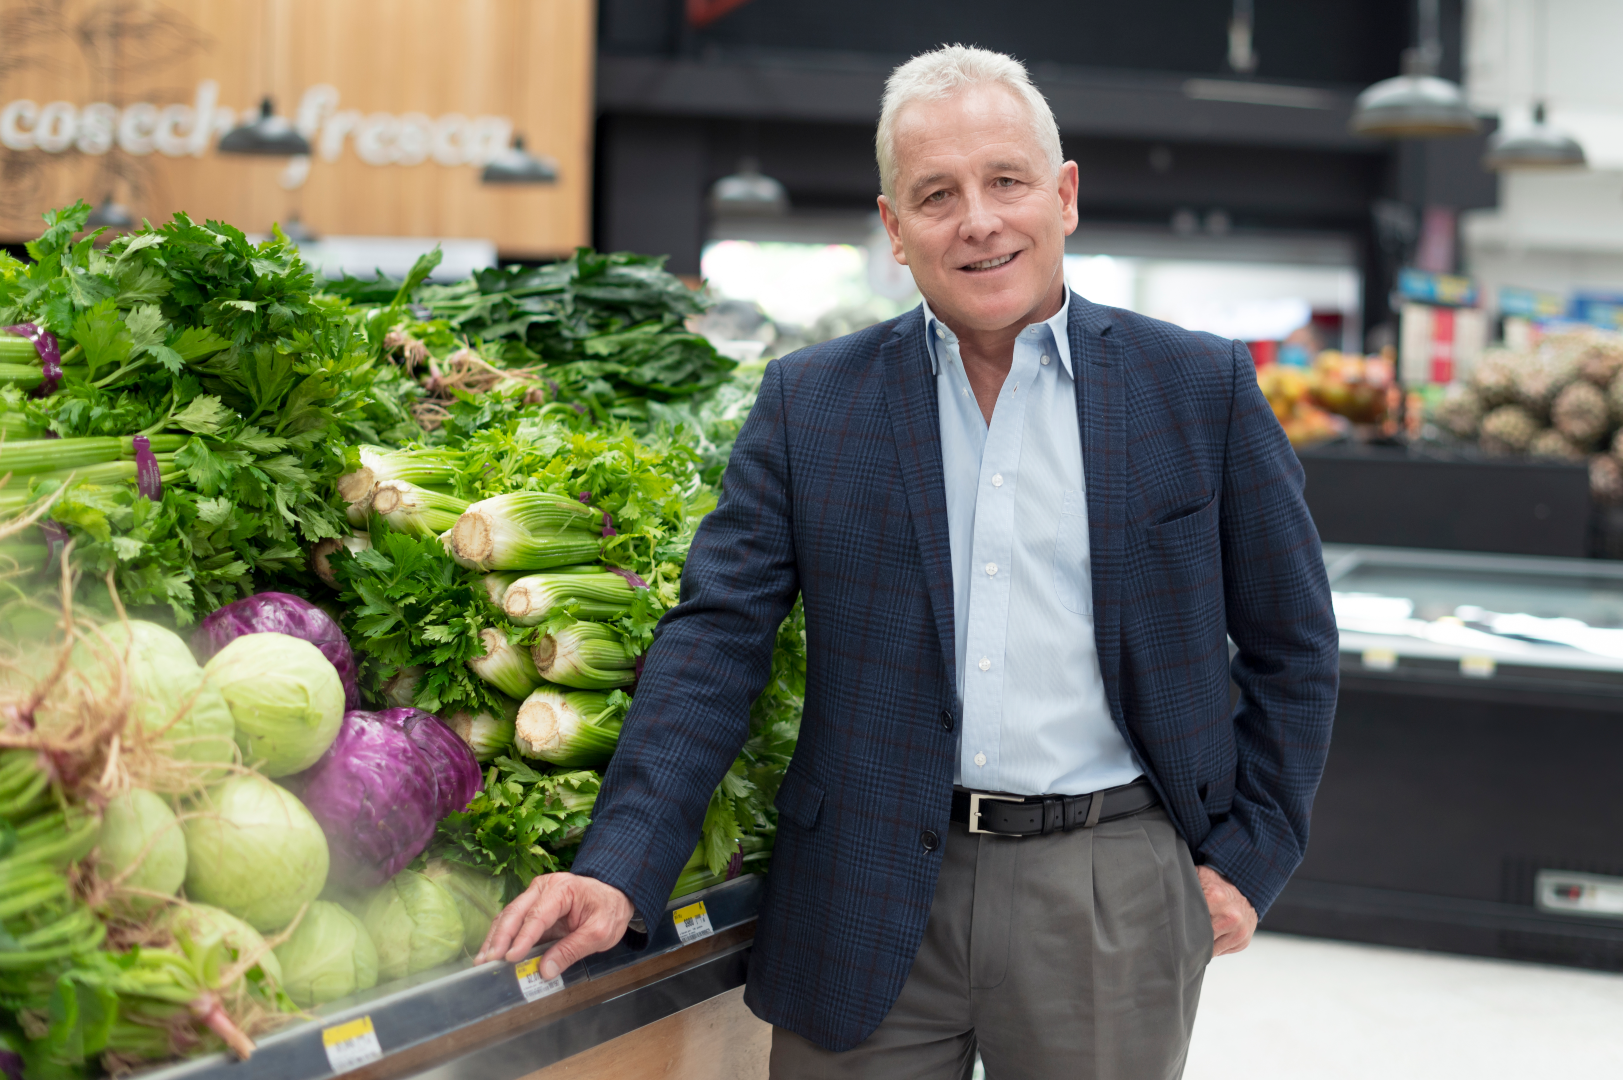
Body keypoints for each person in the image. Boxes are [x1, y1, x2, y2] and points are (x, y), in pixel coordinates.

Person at [478, 44, 1339, 1079]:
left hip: (1111, 882)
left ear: (1063, 197)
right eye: (937, 194)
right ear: (894, 228)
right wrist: (618, 870)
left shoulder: (1196, 388)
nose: (978, 219)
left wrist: (1249, 857)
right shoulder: (814, 402)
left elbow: (1294, 646)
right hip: (863, 879)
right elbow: (716, 644)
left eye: (1006, 181)